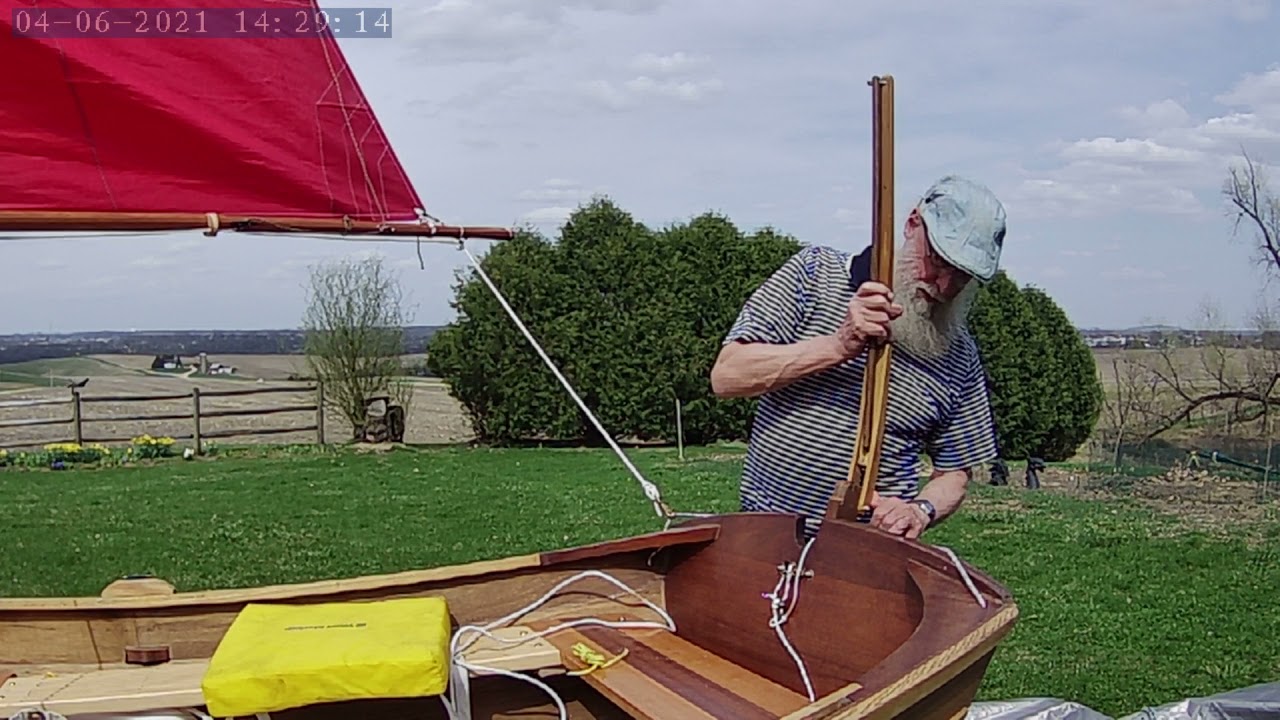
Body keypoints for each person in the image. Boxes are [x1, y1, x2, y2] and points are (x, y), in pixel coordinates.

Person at [710, 175, 1006, 540]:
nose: (943, 286)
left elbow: (956, 472)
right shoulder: (814, 274)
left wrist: (919, 511)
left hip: (869, 553)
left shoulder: (958, 355)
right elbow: (728, 375)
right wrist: (837, 346)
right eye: (938, 261)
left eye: (962, 276)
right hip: (765, 538)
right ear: (912, 224)